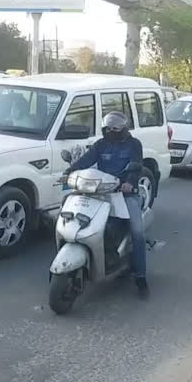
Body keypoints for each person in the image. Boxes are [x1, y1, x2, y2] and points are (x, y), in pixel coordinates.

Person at [65, 111, 149, 298]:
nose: (111, 131)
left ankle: (141, 277)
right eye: (108, 128)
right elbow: (86, 159)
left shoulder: (134, 144)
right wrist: (70, 170)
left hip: (124, 193)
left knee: (137, 232)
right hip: (99, 192)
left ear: (124, 129)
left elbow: (137, 165)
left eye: (115, 128)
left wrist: (130, 182)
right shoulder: (101, 144)